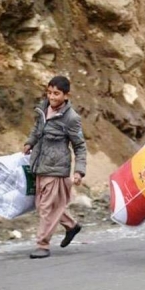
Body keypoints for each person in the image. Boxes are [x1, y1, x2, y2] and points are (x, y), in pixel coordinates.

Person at [23, 76, 87, 259]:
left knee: (46, 207)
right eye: (49, 92)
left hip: (57, 169)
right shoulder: (43, 109)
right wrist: (30, 143)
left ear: (66, 95)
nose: (52, 97)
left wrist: (79, 171)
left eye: (56, 94)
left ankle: (42, 245)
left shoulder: (71, 118)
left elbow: (80, 146)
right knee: (43, 205)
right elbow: (37, 130)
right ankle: (71, 225)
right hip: (39, 165)